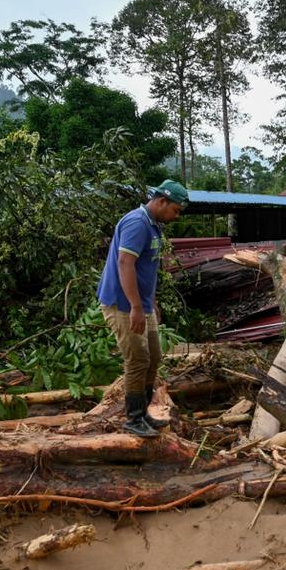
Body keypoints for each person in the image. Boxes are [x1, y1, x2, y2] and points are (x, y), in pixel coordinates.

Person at [97, 180, 188, 437]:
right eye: (176, 210)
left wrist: (150, 302)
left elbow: (146, 269)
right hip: (123, 304)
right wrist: (136, 306)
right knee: (137, 360)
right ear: (162, 201)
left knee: (153, 357)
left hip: (141, 304)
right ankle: (133, 419)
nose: (177, 216)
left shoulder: (153, 225)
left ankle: (144, 413)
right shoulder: (137, 223)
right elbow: (125, 263)